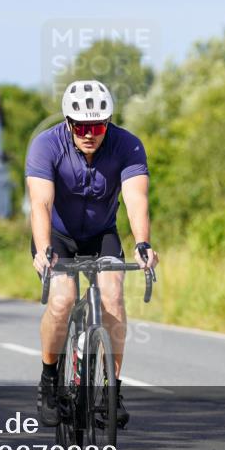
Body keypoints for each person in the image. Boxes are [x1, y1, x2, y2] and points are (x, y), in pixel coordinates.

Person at [26, 80, 159, 428]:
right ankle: (49, 379)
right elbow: (40, 203)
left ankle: (112, 390)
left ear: (109, 122)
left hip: (102, 234)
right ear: (69, 123)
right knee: (62, 299)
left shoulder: (127, 146)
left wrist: (142, 243)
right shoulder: (46, 145)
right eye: (82, 127)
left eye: (98, 126)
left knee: (114, 296)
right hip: (57, 236)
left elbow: (135, 198)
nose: (89, 134)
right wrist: (43, 250)